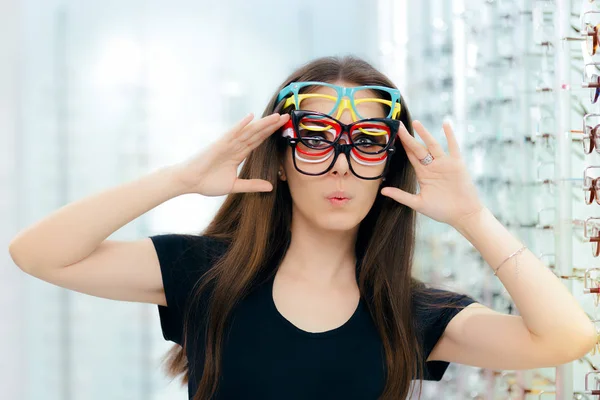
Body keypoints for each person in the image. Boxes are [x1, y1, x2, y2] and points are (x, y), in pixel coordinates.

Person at [8, 55, 596, 400]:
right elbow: (39, 254)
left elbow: (567, 338)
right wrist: (178, 179)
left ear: (391, 165)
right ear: (282, 159)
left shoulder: (411, 312)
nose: (341, 164)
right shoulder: (207, 273)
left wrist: (473, 217)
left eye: (367, 143)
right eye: (315, 139)